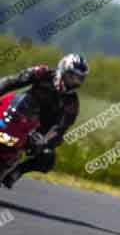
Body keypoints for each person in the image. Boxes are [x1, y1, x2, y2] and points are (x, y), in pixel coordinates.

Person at [0, 53, 89, 188]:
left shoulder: (72, 104)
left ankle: (15, 172)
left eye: (79, 79)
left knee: (48, 158)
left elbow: (59, 130)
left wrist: (45, 141)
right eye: (72, 76)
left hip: (35, 132)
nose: (74, 82)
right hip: (16, 113)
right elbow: (12, 81)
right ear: (62, 69)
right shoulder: (42, 73)